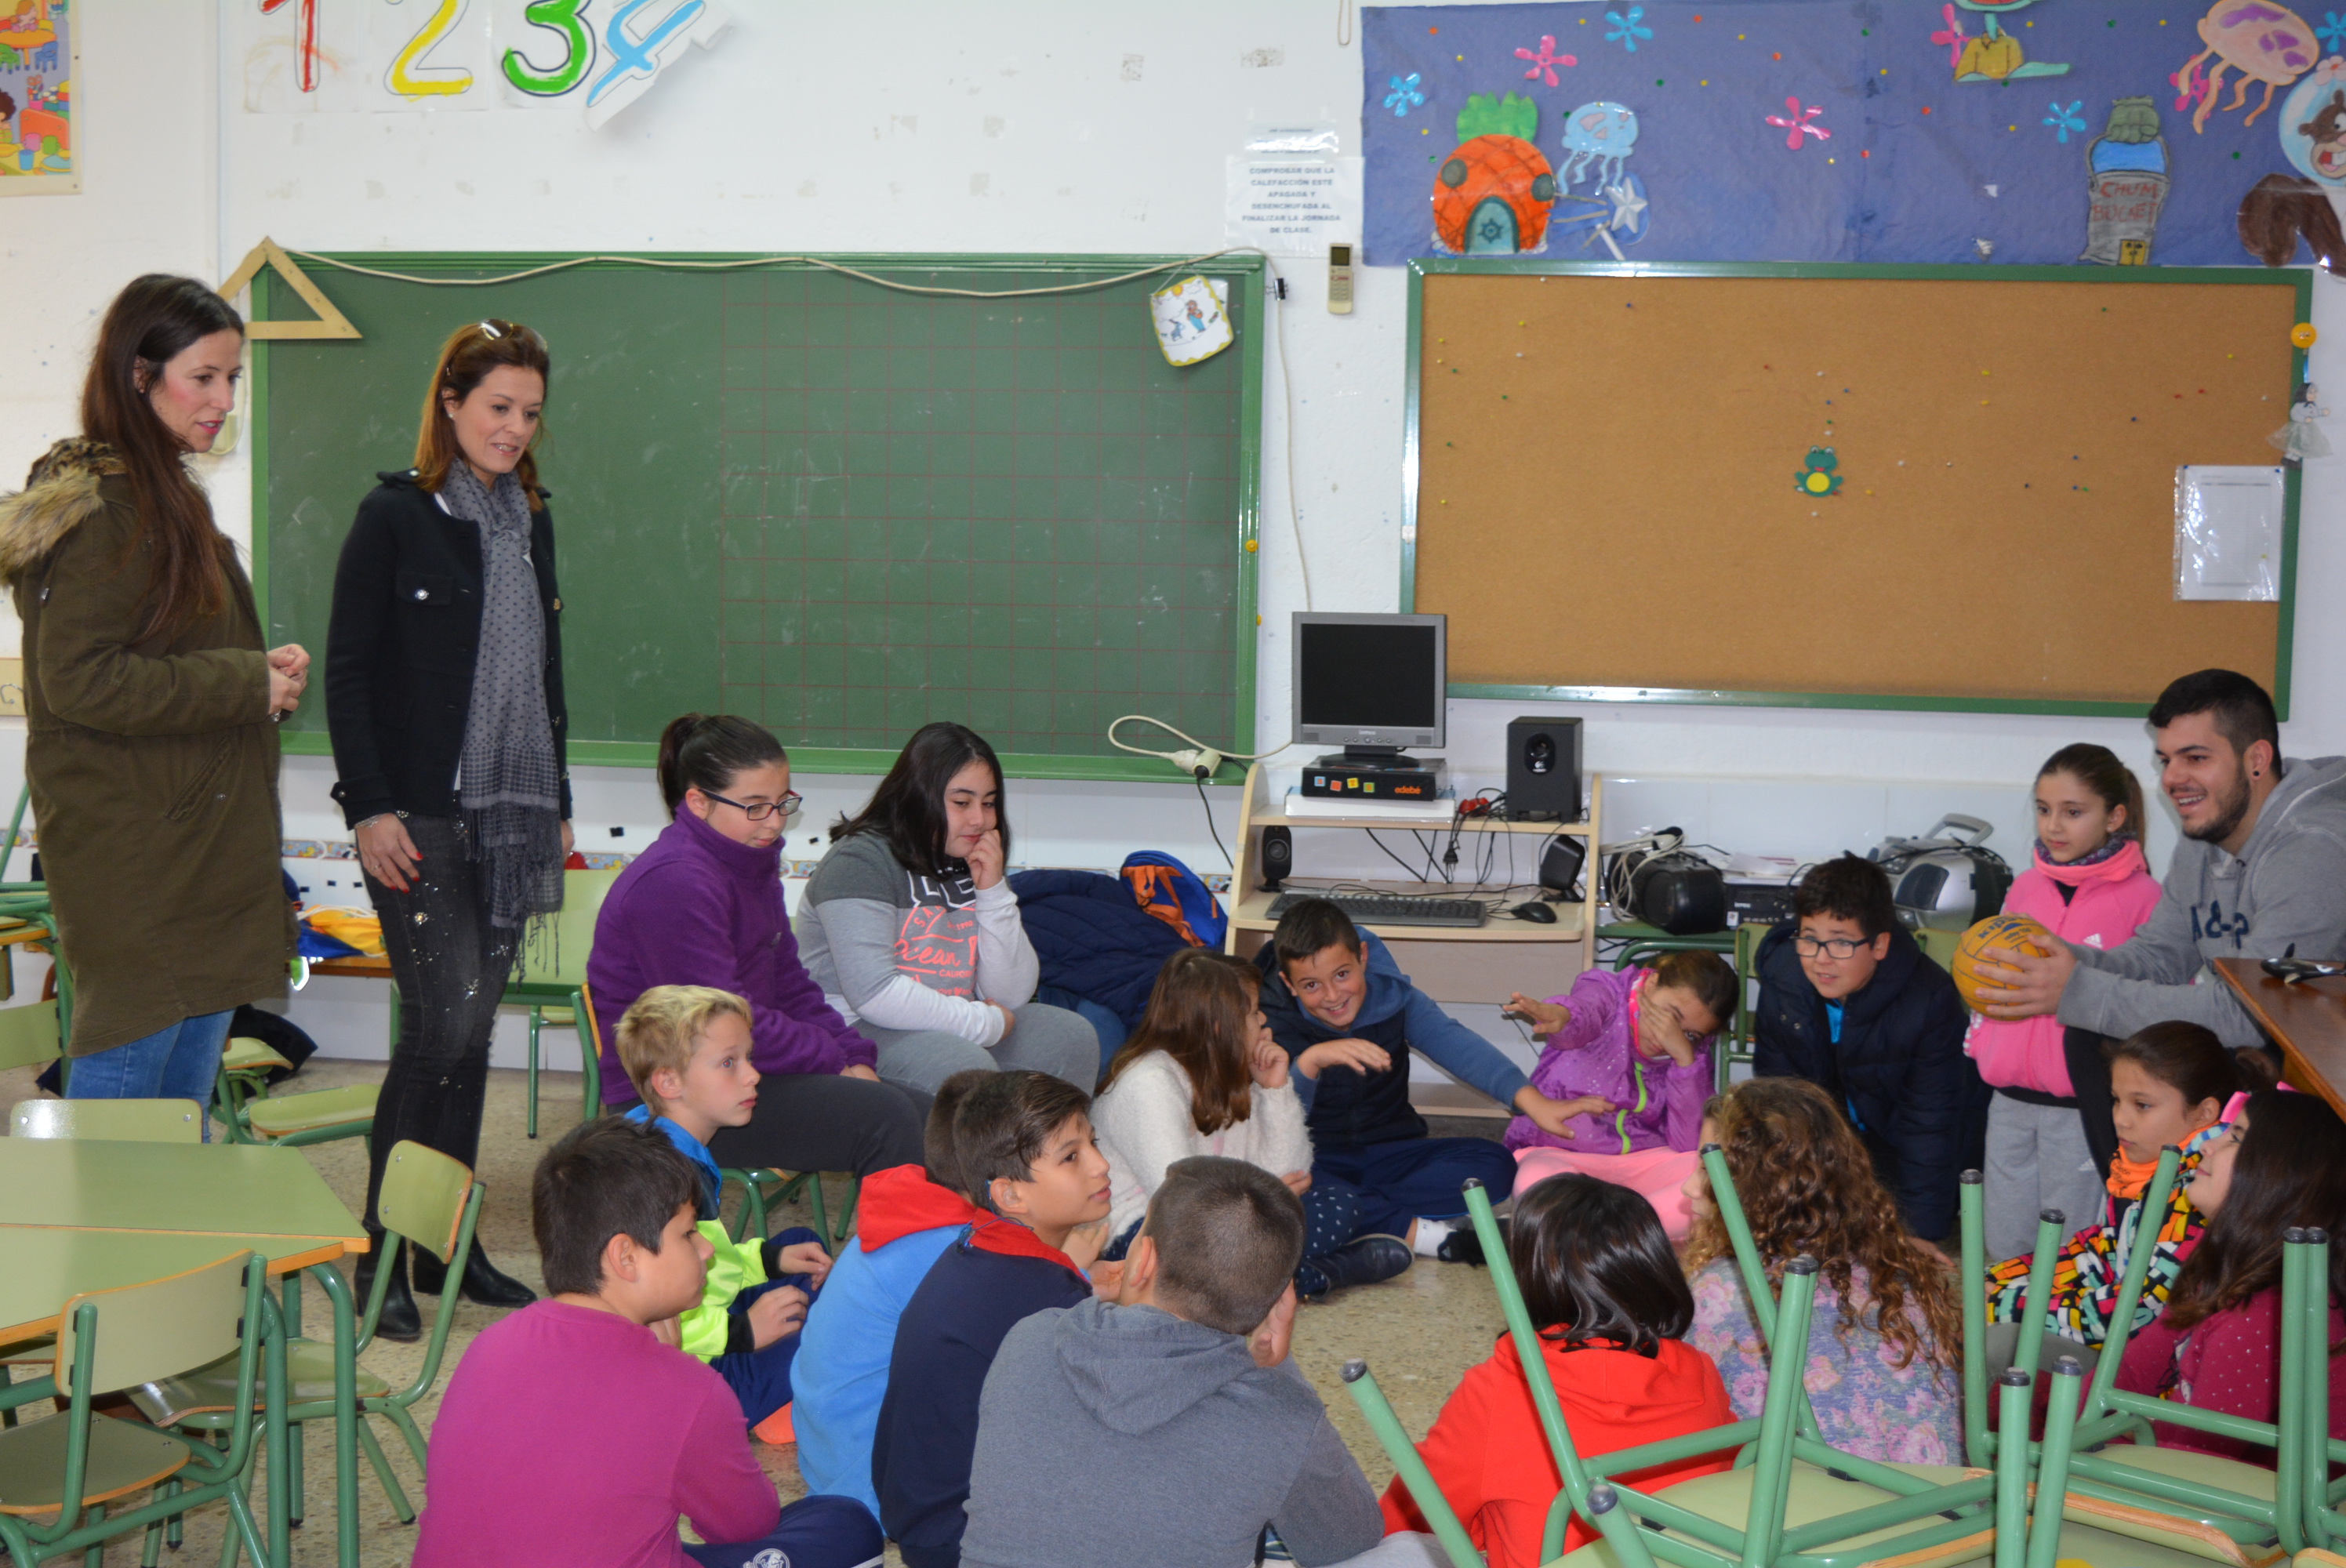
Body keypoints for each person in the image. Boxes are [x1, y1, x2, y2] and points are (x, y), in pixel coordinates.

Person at [0, 275, 300, 1108]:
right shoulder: (105, 509)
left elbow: (157, 651)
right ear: (140, 375)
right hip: (142, 861)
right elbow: (80, 679)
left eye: (232, 378)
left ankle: (174, 1239)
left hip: (190, 852)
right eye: (202, 376)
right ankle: (105, 1242)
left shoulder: (160, 492)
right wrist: (245, 681)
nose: (222, 398)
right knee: (126, 1113)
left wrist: (255, 671)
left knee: (177, 1113)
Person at [326, 318, 572, 1335]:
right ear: (452, 406)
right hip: (417, 816)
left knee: (473, 1041)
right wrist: (371, 806)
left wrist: (552, 805)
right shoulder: (395, 517)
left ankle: (451, 1248)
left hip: (510, 817)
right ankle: (384, 1257)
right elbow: (347, 672)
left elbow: (546, 677)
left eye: (529, 413)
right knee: (437, 1031)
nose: (513, 429)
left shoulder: (532, 518)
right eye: (497, 408)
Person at [411, 1116, 884, 1568]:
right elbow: (746, 1525)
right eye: (688, 1232)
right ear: (626, 1257)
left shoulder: (489, 1344)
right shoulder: (687, 1388)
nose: (704, 1249)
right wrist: (673, 1370)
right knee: (844, 1523)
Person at [959, 1156, 1395, 1568]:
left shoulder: (1030, 1340)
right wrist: (1274, 1364)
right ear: (1277, 1303)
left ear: (1142, 1260)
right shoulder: (1284, 1417)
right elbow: (1348, 1542)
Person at [591, 713, 925, 1179]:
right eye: (754, 806)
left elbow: (791, 984)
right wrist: (831, 1059)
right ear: (698, 802)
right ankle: (910, 1251)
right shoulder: (673, 883)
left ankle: (975, 1246)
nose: (773, 823)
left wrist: (852, 1053)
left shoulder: (751, 861)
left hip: (741, 1068)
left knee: (936, 1118)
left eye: (782, 802)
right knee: (886, 1118)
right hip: (674, 1099)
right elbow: (718, 1024)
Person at [1977, 670, 2346, 1050]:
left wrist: (2078, 991)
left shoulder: (2314, 849)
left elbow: (2252, 1015)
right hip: (2282, 1063)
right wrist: (2062, 963)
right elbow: (2160, 959)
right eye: (2166, 760)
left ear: (2256, 759)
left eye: (2196, 758)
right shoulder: (2206, 834)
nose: (2172, 778)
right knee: (2097, 1050)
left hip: (2323, 1081)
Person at [1381, 1175, 1738, 1568]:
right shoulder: (1700, 1370)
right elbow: (1728, 1479)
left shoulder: (1499, 1389)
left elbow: (1415, 1517)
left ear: (1531, 1277)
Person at [1253, 899, 1593, 1268]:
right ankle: (1431, 1237)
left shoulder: (1395, 997)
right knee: (1285, 1185)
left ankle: (1361, 1214)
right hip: (1315, 1157)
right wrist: (1310, 1063)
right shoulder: (1269, 1022)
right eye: (1311, 985)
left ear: (1363, 957)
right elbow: (1270, 1123)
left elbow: (1456, 1044)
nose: (1333, 996)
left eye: (1341, 975)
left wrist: (1533, 1101)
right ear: (1288, 983)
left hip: (1392, 1151)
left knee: (1495, 1164)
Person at [871, 1070, 1111, 1568]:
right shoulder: (1044, 1294)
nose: (1102, 1165)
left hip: (927, 1524)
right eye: (1072, 1156)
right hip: (972, 1543)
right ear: (1010, 1195)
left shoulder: (975, 1247)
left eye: (1094, 1143)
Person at [796, 721, 1098, 1096]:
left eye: (988, 803)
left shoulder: (965, 857)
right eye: (961, 802)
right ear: (917, 797)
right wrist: (983, 1024)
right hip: (858, 1028)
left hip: (954, 1022)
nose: (980, 820)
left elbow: (1011, 995)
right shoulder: (859, 861)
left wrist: (993, 892)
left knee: (1069, 1037)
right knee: (962, 1068)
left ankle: (1051, 1154)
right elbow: (875, 994)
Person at [1094, 949, 1411, 1301]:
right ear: (1220, 1025)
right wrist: (1265, 1202)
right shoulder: (1149, 1082)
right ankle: (1314, 1276)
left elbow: (1293, 1173)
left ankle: (1255, 1286)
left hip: (1226, 1226)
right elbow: (1178, 1201)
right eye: (1253, 1012)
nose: (1263, 1022)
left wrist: (1275, 1089)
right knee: (1187, 1257)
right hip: (1143, 1234)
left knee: (1340, 1203)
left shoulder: (1228, 1075)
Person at [1681, 1077, 1965, 1465]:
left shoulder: (1722, 1288)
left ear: (1754, 1186)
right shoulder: (1899, 1273)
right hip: (1939, 1513)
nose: (1688, 1188)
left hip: (1806, 1516)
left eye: (1708, 1170)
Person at [1966, 744, 2163, 1257]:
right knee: (2003, 1248)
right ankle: (2005, 1336)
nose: (2055, 826)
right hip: (2007, 1104)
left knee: (2072, 1253)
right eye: (2044, 809)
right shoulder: (2025, 888)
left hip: (2082, 1109)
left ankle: (2059, 1342)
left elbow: (2155, 1004)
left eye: (2074, 812)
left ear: (2115, 817)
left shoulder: (2146, 899)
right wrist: (1984, 1041)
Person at [612, 985, 837, 1428]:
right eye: (729, 1063)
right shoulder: (663, 1176)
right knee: (832, 1336)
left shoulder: (668, 1140)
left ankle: (782, 1381)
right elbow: (645, 1310)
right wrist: (743, 1333)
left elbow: (711, 1257)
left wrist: (768, 1260)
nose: (753, 1075)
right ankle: (765, 1408)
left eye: (748, 1059)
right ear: (669, 1082)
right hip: (699, 1368)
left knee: (800, 1245)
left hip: (711, 1313)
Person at [1986, 1022, 2267, 1348]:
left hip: (2145, 1364)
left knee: (2000, 1345)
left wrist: (2005, 1305)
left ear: (2204, 1113)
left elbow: (2130, 1316)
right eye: (2117, 1100)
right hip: (2115, 1333)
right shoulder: (2141, 1169)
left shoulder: (2199, 1194)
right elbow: (2100, 1253)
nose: (2120, 1118)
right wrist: (2001, 1279)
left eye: (2142, 1105)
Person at [1752, 855, 1986, 1245]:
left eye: (1841, 942)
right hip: (1833, 1153)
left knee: (1882, 1244)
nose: (1820, 959)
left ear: (1879, 944)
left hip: (1902, 1154)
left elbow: (1929, 1125)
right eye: (1809, 938)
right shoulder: (1785, 979)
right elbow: (1779, 1107)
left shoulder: (1930, 1001)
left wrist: (1920, 1232)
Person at [794, 1069, 994, 1525]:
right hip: (877, 1487)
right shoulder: (959, 1249)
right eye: (1066, 1156)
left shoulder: (919, 1210)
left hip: (830, 1457)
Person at [2115, 1089, 2346, 1462]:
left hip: (2226, 1505)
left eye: (2234, 1137)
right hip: (2175, 1467)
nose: (2208, 1146)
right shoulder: (2226, 1261)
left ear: (2277, 1176)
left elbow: (2198, 1464)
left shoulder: (2265, 1314)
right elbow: (2133, 1371)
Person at [1500, 951, 1737, 1243]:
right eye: (1670, 1017)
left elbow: (1689, 1143)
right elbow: (1583, 1013)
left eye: (1690, 1034)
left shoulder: (1691, 1052)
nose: (1668, 1035)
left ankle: (1593, 1239)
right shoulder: (1608, 991)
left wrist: (1685, 1059)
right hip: (1563, 1153)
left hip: (1646, 1163)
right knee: (1535, 1184)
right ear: (1651, 983)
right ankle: (1629, 1239)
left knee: (1713, 1184)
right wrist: (1561, 1016)